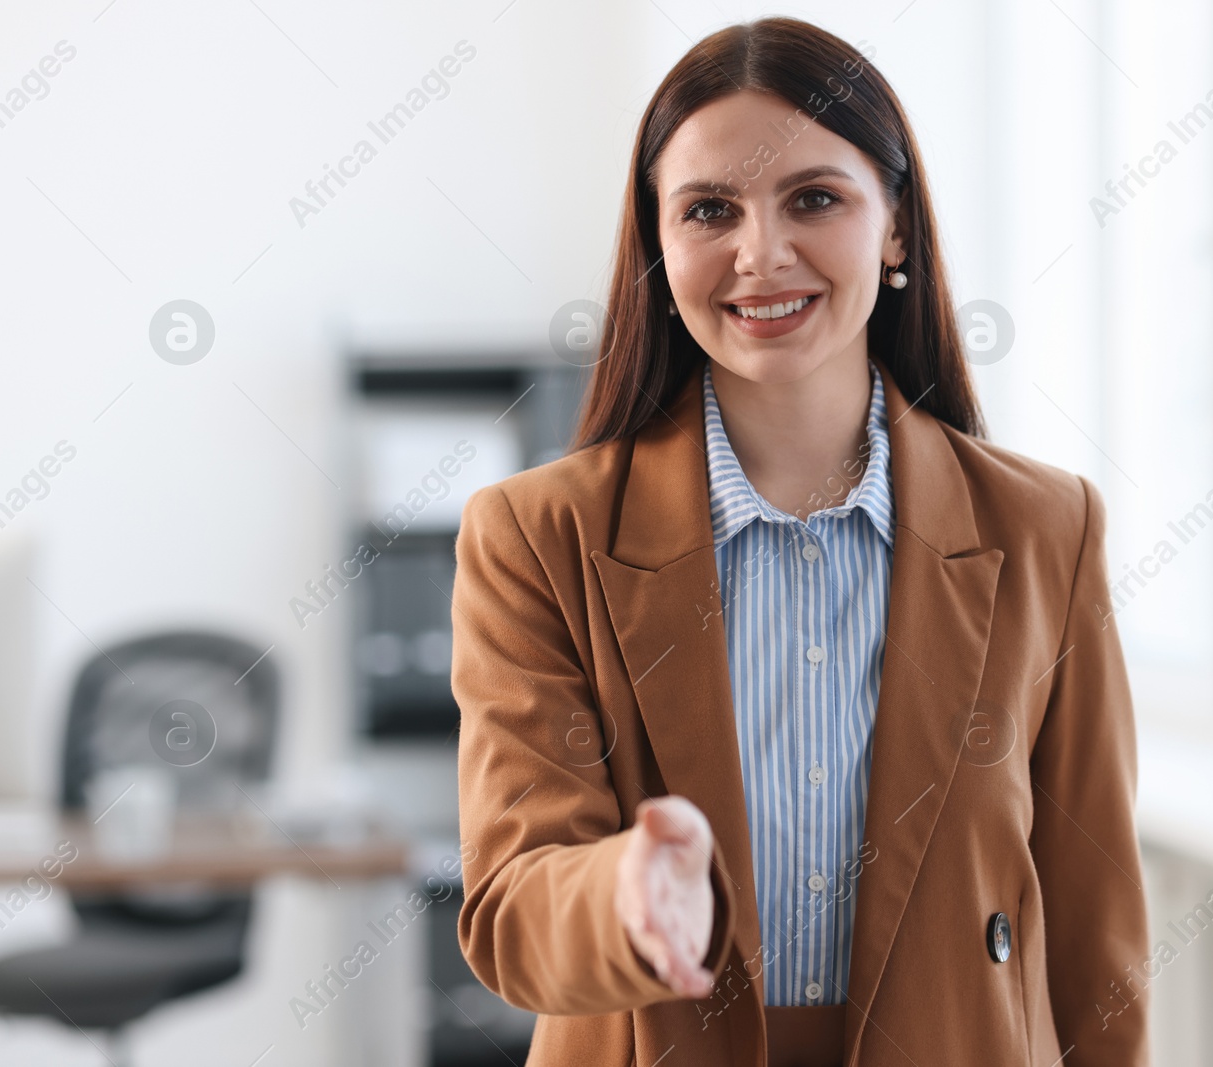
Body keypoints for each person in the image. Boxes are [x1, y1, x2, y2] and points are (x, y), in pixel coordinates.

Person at [451, 15, 1150, 1067]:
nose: (759, 253)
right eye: (708, 210)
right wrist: (625, 895)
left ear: (896, 225)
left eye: (813, 198)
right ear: (657, 241)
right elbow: (512, 908)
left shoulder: (1046, 528)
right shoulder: (535, 537)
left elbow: (1099, 943)